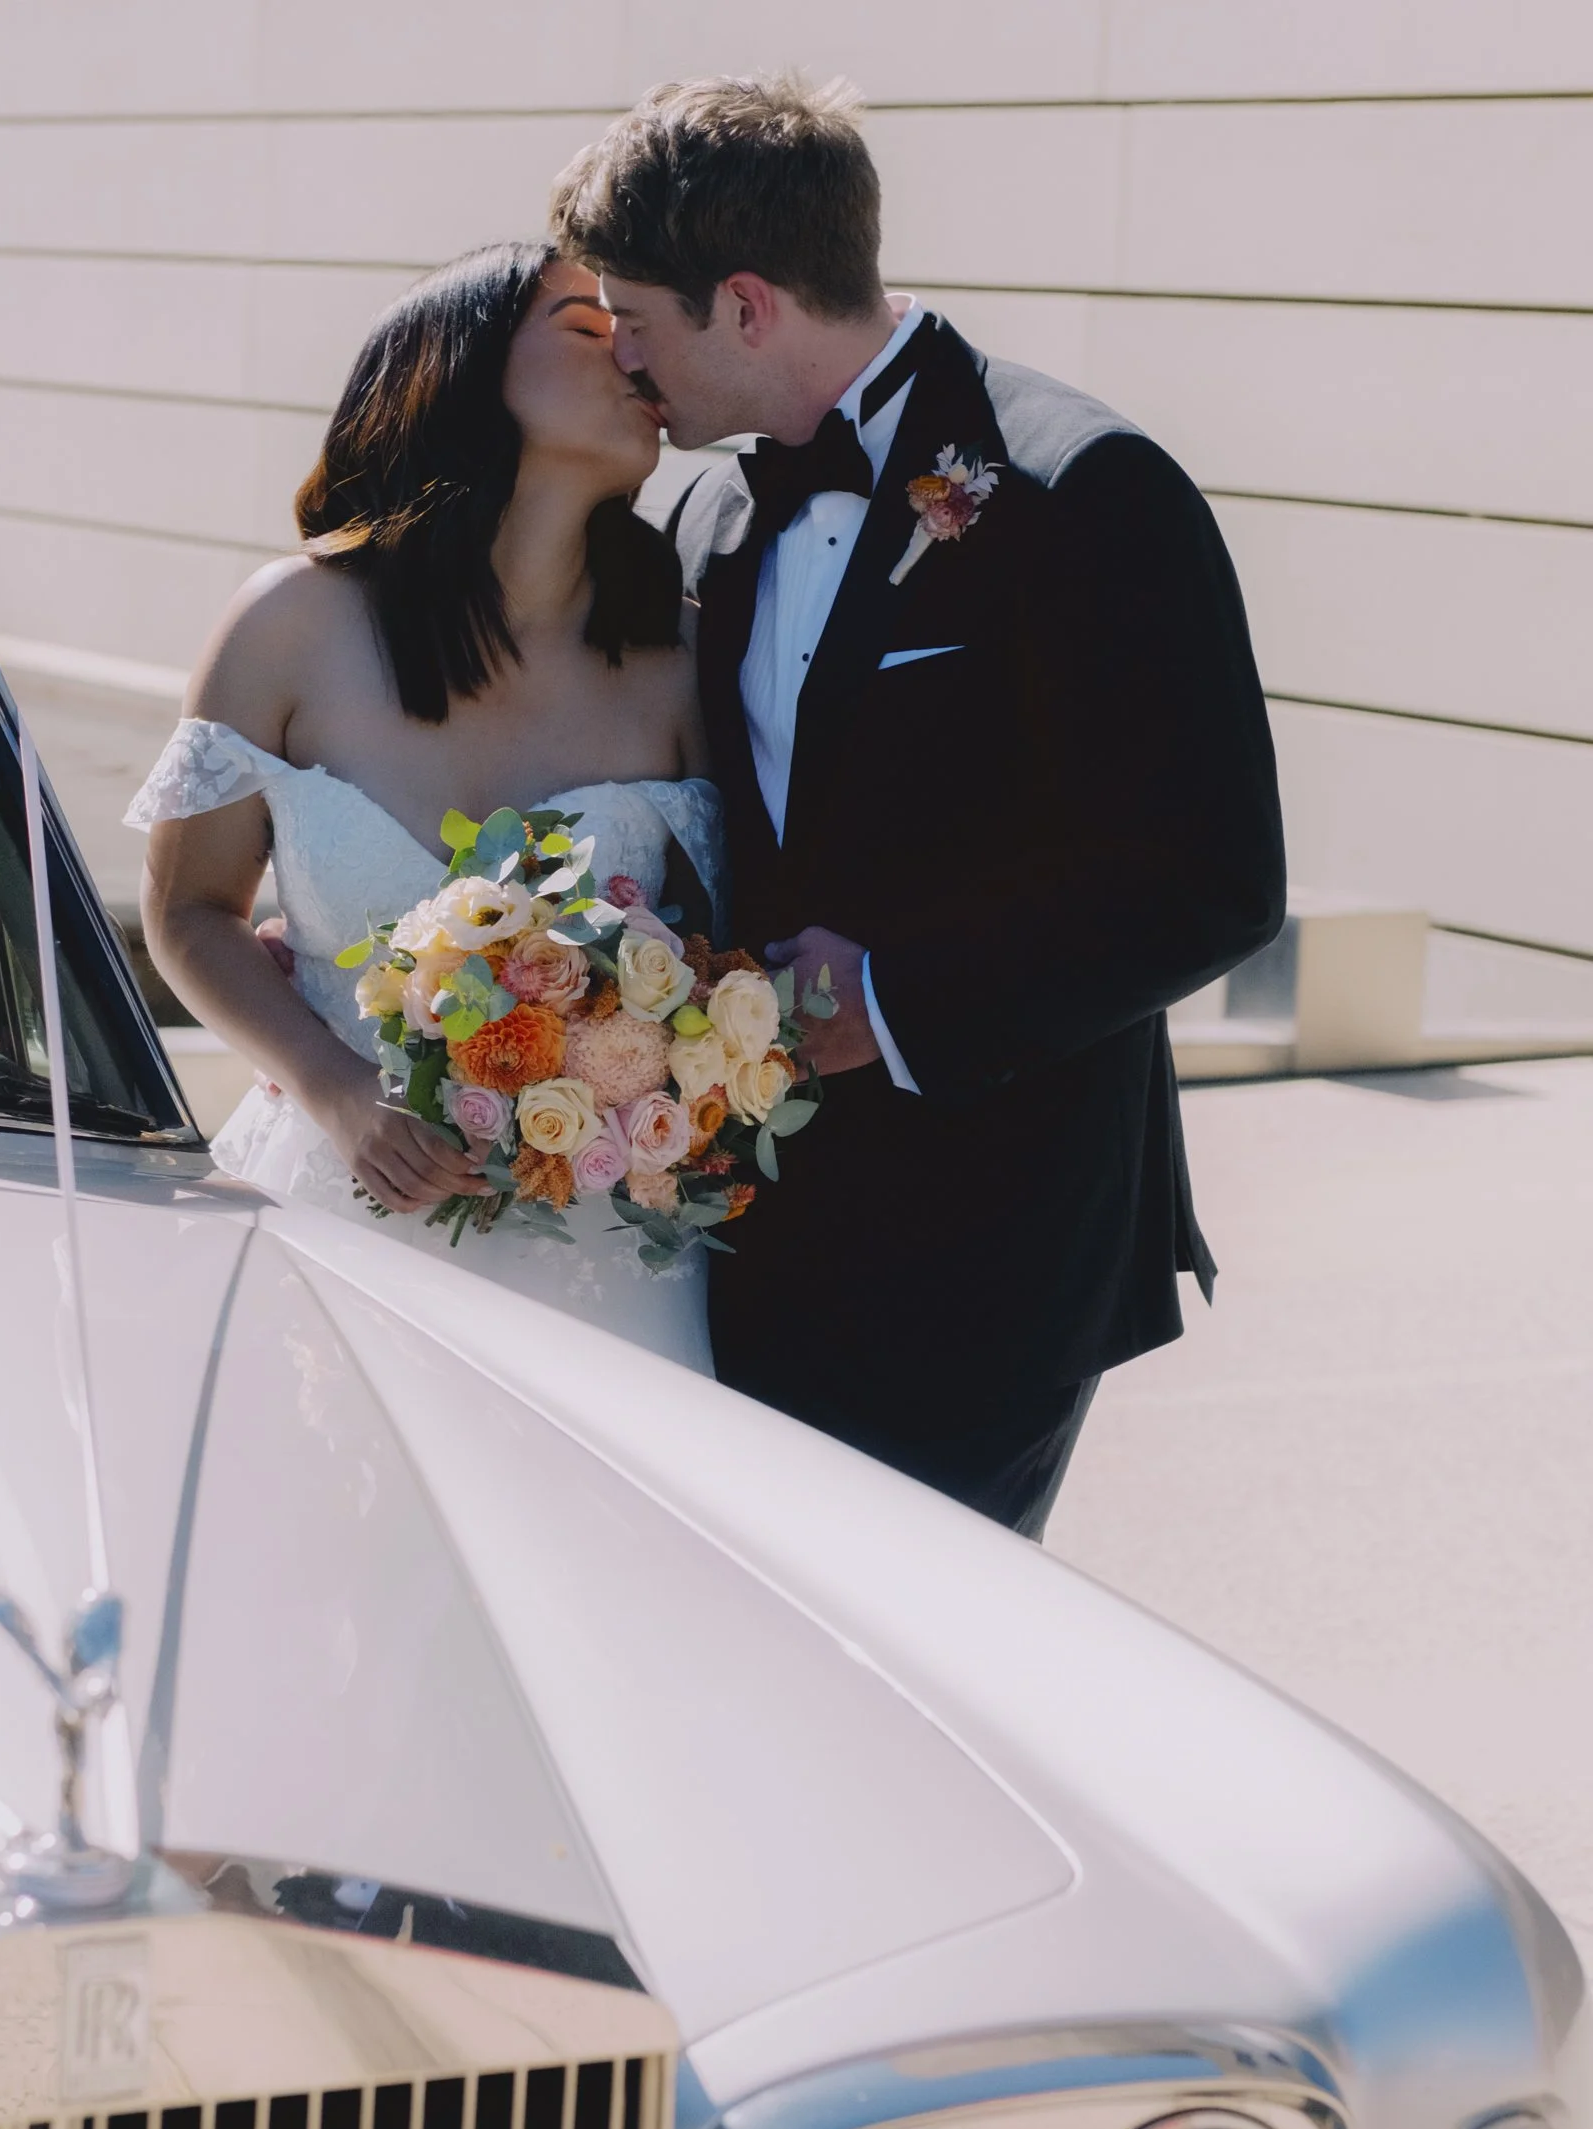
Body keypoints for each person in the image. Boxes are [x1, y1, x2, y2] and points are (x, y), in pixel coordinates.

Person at [550, 74, 1287, 1536]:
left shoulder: (1086, 490)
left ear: (747, 305)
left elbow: (1210, 877)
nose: (620, 358)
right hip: (746, 1230)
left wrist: (889, 999)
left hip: (998, 1230)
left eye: (635, 317)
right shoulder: (701, 514)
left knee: (913, 1668)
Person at [133, 242, 722, 1371]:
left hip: (605, 1266)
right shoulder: (289, 624)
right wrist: (335, 1087)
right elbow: (190, 910)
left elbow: (716, 961)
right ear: (458, 365)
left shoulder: (676, 652)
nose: (631, 355)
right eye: (584, 327)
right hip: (334, 1213)